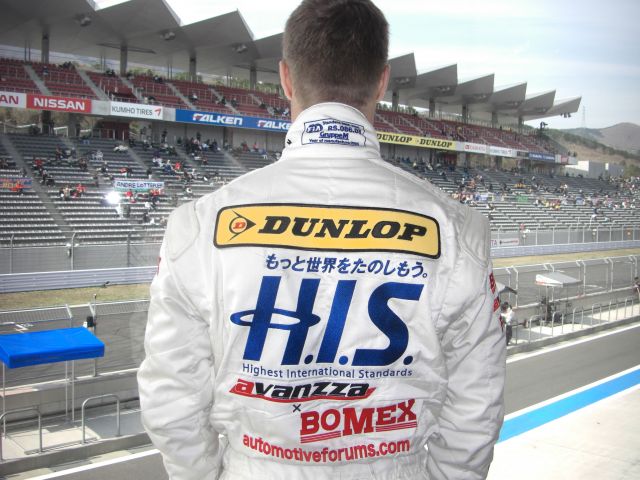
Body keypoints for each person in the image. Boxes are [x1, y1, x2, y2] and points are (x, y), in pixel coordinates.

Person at [138, 2, 505, 480]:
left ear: (286, 80)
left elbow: (172, 403)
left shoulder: (198, 226)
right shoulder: (457, 230)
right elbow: (476, 409)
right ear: (381, 82)